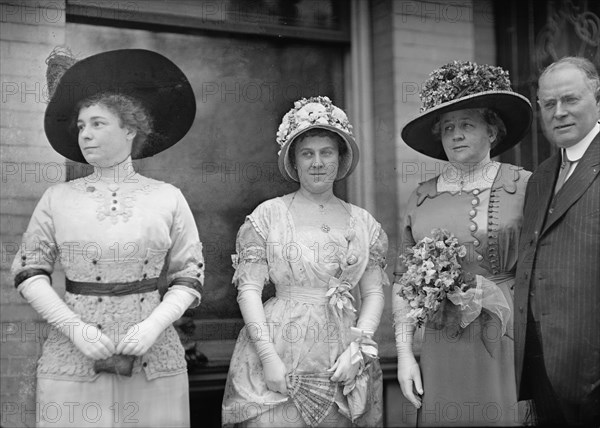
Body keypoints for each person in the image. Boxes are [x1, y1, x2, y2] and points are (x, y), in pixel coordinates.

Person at [11, 48, 203, 427]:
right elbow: (28, 272)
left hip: (153, 358)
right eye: (81, 126)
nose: (86, 134)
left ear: (130, 128)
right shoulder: (57, 199)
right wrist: (75, 329)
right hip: (74, 357)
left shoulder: (167, 197)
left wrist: (153, 326)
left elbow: (189, 275)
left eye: (98, 123)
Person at [221, 96, 389, 427]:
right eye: (307, 154)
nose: (317, 163)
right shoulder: (268, 215)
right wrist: (268, 358)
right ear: (294, 161)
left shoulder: (364, 222)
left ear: (340, 159)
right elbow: (249, 290)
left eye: (327, 152)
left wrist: (359, 350)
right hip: (280, 339)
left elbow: (373, 294)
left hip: (342, 347)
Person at [393, 61, 533, 426]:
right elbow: (402, 283)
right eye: (448, 128)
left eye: (467, 124)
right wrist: (406, 353)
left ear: (492, 131)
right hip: (443, 343)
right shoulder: (421, 196)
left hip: (506, 337)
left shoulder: (525, 186)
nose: (456, 135)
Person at [514, 56, 600, 426]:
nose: (559, 112)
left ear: (597, 98)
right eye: (549, 104)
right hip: (543, 371)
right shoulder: (541, 177)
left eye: (570, 100)